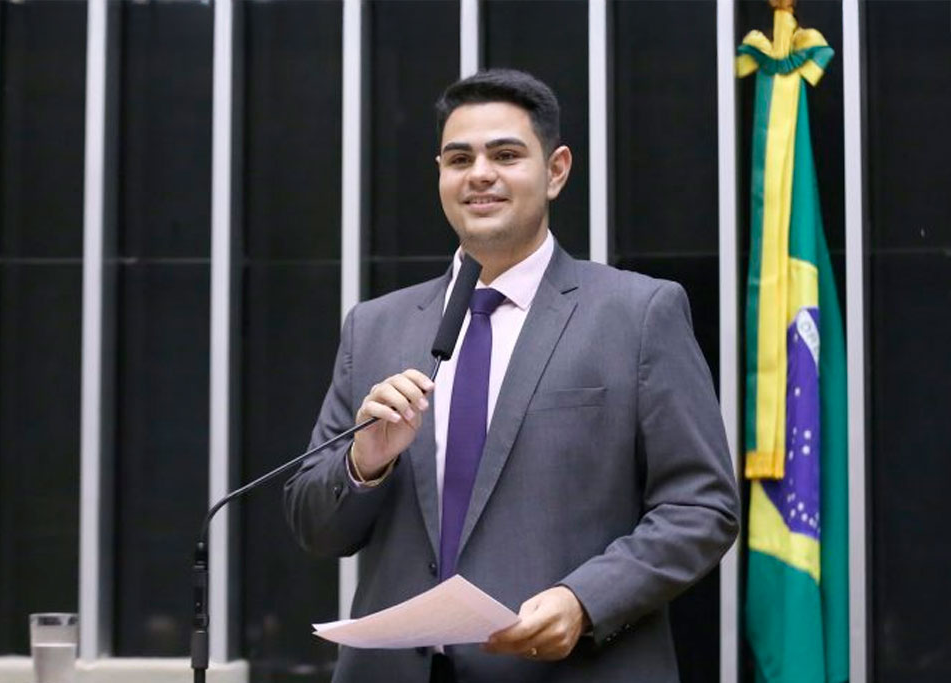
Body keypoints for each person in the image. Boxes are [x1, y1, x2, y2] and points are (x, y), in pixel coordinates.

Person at [284, 69, 739, 683]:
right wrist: (364, 464)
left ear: (555, 171)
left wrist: (585, 601)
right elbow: (316, 526)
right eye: (459, 158)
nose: (479, 174)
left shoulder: (638, 313)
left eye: (505, 155)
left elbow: (700, 506)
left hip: (568, 670)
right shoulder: (375, 325)